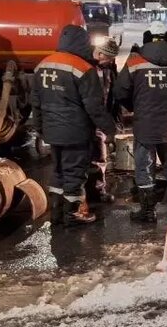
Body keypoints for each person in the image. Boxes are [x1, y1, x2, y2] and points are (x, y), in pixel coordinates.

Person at [30, 25, 117, 227]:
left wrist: (40, 128)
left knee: (58, 172)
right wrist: (109, 129)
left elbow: (35, 102)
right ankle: (74, 214)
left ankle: (57, 213)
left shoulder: (43, 64)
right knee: (74, 173)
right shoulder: (83, 69)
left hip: (53, 131)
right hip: (75, 131)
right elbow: (94, 107)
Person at [114, 21, 167, 222]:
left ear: (147, 37)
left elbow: (120, 91)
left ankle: (148, 212)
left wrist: (136, 107)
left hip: (145, 125)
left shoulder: (135, 63)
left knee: (144, 167)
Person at [88, 36, 121, 205]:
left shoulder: (107, 68)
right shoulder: (88, 69)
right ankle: (91, 193)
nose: (111, 61)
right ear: (100, 54)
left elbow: (112, 95)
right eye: (109, 57)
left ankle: (96, 191)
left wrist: (114, 118)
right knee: (93, 157)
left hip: (100, 118)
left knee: (99, 157)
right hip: (90, 120)